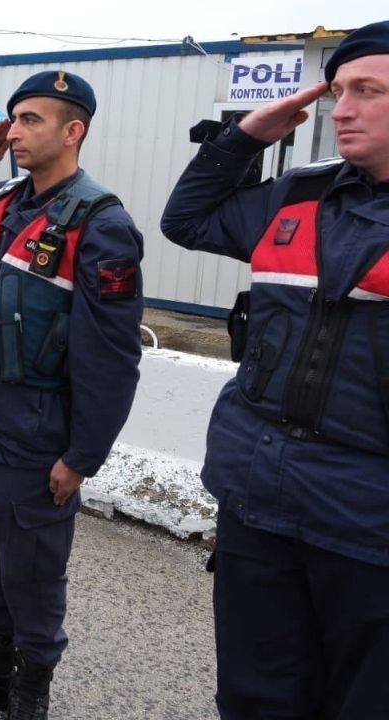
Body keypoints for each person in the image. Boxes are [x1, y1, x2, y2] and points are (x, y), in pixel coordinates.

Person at [160, 21, 389, 719]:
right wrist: (246, 137)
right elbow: (188, 221)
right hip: (261, 503)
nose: (341, 108)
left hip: (370, 529)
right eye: (338, 91)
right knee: (257, 699)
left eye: (368, 91)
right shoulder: (299, 194)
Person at [0, 71, 144, 719]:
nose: (15, 131)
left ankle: (30, 688)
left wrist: (82, 456)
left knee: (33, 573)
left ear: (74, 131)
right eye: (13, 119)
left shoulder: (101, 224)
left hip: (35, 435)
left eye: (32, 120)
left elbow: (113, 359)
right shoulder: (2, 200)